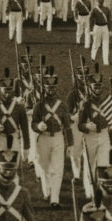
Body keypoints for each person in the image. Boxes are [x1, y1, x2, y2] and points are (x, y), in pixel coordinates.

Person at [31, 69, 74, 208]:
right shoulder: (39, 105)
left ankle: (55, 198)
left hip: (58, 139)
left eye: (53, 88)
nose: (51, 90)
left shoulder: (62, 105)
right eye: (48, 88)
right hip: (43, 138)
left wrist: (71, 144)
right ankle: (47, 190)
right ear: (44, 88)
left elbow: (67, 126)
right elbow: (33, 123)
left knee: (57, 169)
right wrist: (39, 126)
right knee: (44, 167)